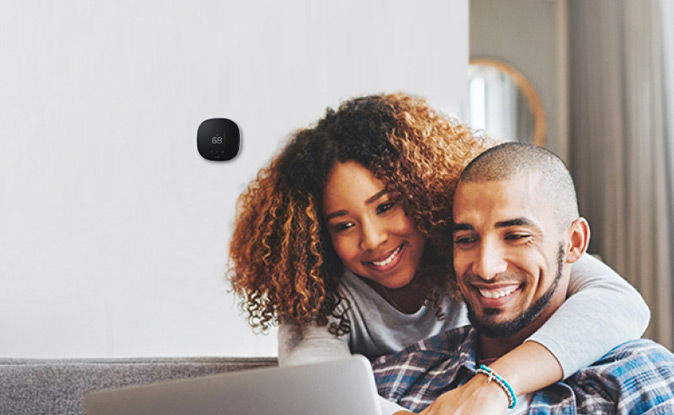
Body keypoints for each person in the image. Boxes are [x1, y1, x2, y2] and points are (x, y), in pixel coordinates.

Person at [228, 93, 650, 414]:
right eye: (343, 225)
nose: (372, 239)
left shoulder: (473, 249)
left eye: (386, 205)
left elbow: (620, 304)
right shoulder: (318, 294)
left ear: (422, 194)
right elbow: (317, 392)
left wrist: (494, 384)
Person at [373, 142, 674, 414]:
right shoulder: (393, 380)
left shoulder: (643, 380)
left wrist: (494, 385)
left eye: (516, 236)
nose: (485, 268)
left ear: (575, 242)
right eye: (466, 239)